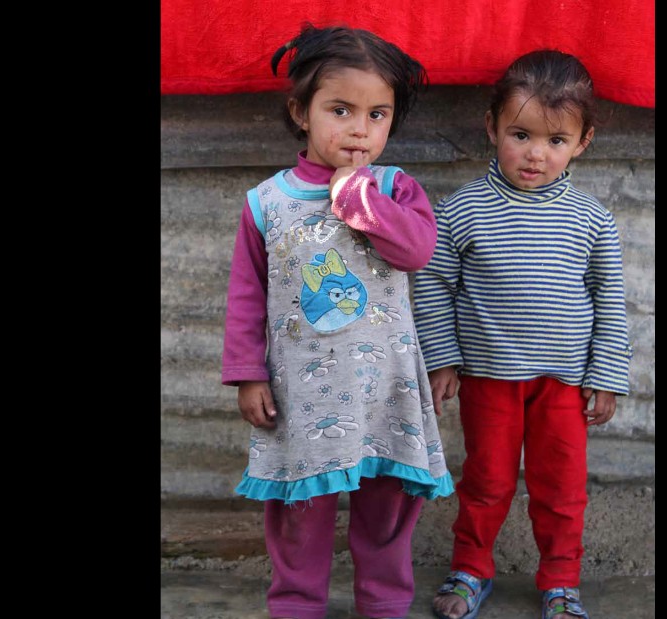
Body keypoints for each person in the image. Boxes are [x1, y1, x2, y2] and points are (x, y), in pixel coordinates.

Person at [221, 23, 453, 619]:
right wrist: (248, 373)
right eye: (341, 109)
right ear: (302, 111)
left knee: (386, 509)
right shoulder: (267, 202)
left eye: (378, 115)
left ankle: (384, 602)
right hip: (302, 393)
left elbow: (418, 251)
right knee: (300, 514)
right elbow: (247, 293)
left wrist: (366, 204)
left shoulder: (395, 189)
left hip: (385, 390)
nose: (359, 129)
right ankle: (297, 603)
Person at [413, 50, 634, 619]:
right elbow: (434, 287)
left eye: (556, 141)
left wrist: (606, 375)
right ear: (491, 127)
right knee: (485, 481)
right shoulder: (462, 210)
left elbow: (609, 297)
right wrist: (443, 360)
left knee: (560, 487)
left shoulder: (592, 219)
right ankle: (470, 569)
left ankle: (561, 582)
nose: (536, 154)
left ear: (583, 142)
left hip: (563, 383)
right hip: (489, 379)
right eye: (520, 134)